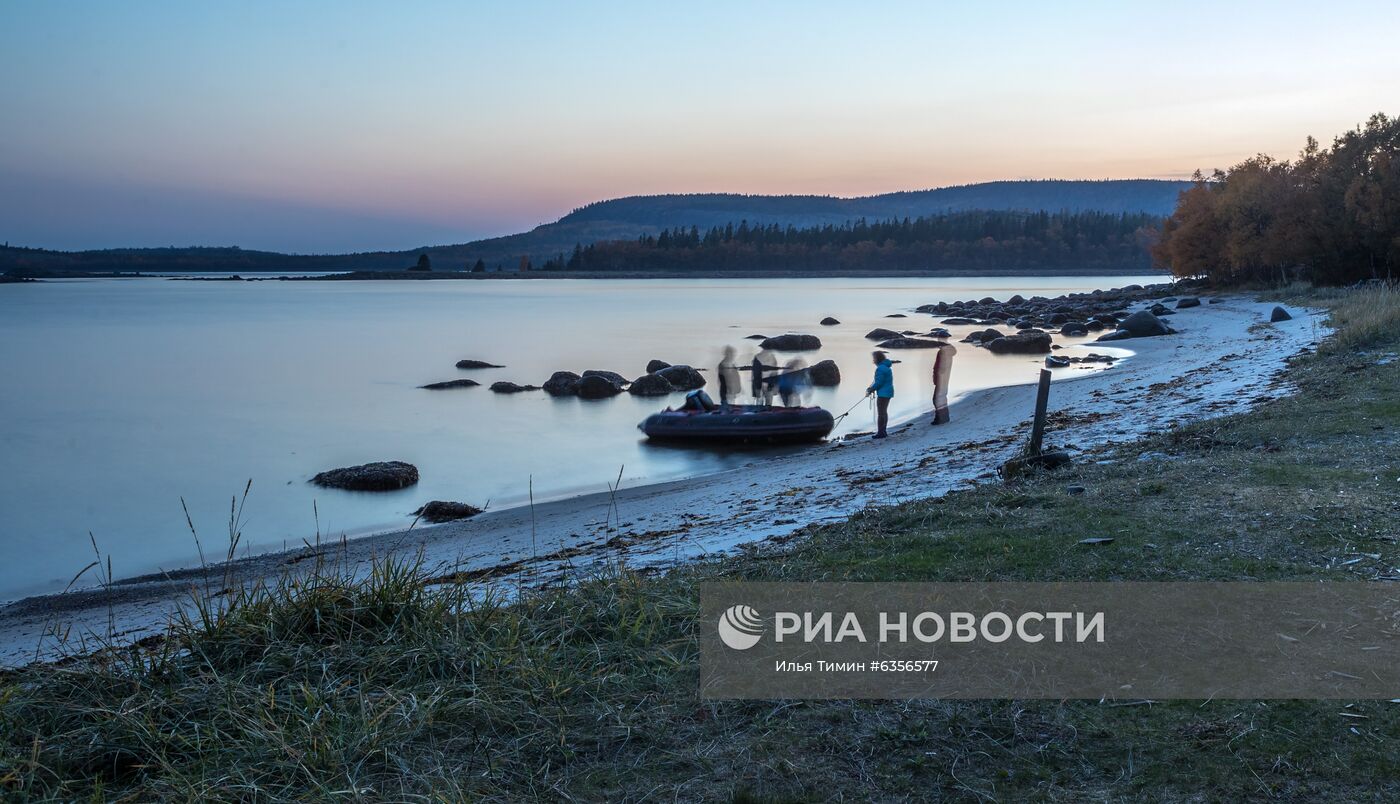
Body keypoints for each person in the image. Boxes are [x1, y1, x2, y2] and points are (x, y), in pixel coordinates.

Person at [865, 350, 894, 438]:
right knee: (884, 412)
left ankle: (881, 433)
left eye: (874, 358)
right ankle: (883, 431)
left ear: (877, 359)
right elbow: (880, 382)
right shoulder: (886, 367)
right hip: (888, 392)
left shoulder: (880, 369)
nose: (873, 360)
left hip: (883, 394)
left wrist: (870, 389)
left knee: (881, 413)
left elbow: (879, 382)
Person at [929, 337, 957, 425]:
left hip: (941, 378)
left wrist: (937, 375)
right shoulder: (948, 350)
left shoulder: (943, 351)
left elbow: (940, 366)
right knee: (941, 397)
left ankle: (941, 418)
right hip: (944, 377)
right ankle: (943, 417)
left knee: (937, 399)